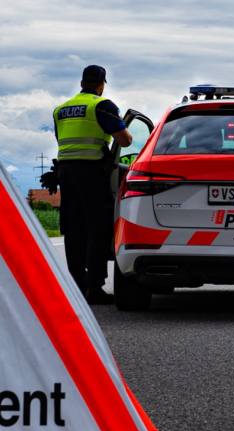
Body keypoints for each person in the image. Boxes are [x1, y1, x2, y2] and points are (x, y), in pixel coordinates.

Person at [51, 65, 132, 304]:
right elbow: (125, 141)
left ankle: (77, 287)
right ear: (101, 84)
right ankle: (94, 288)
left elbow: (61, 140)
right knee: (97, 230)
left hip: (65, 172)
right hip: (92, 173)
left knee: (73, 230)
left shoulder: (61, 109)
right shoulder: (102, 106)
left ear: (81, 83)